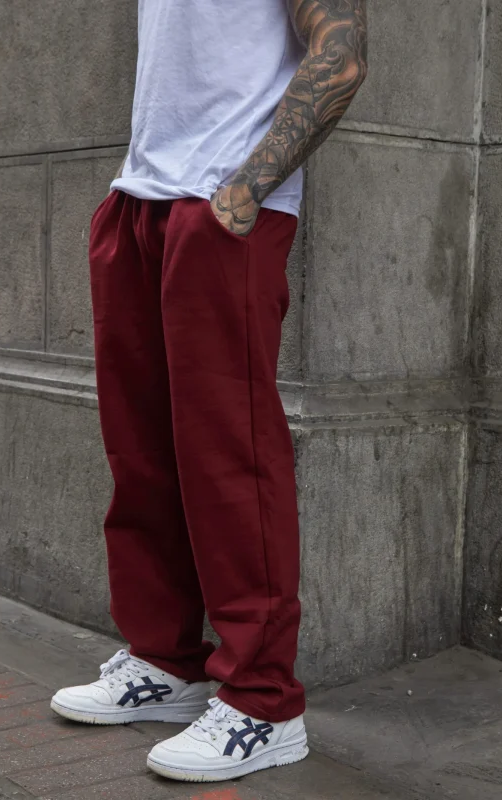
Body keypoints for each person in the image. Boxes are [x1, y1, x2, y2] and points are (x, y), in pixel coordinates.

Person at [52, 0, 367, 783]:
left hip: (222, 207)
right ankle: (166, 660)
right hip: (141, 199)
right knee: (142, 456)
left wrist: (244, 192)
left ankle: (265, 702)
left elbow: (341, 52)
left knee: (230, 459)